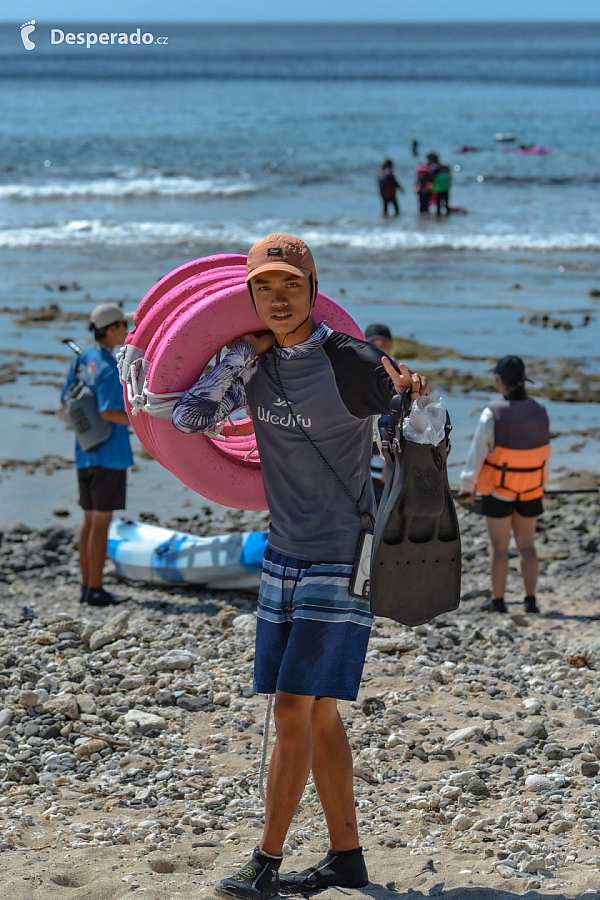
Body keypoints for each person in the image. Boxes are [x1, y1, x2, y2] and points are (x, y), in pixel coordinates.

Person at [171, 234, 429, 900]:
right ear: (250, 296)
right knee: (316, 717)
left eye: (291, 285)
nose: (279, 299)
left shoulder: (352, 361)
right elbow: (190, 414)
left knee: (291, 707)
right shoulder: (253, 365)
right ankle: (347, 858)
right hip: (283, 551)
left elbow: (410, 418)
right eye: (265, 287)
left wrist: (411, 398)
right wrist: (238, 354)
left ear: (314, 290)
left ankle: (266, 861)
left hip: (343, 553)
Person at [459, 356, 550, 615]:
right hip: (532, 488)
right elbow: (546, 455)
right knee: (527, 545)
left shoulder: (492, 413)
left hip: (500, 490)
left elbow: (476, 455)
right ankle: (530, 600)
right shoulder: (541, 410)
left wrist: (468, 486)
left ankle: (498, 602)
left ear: (499, 381)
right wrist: (544, 485)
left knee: (499, 547)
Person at [61, 303, 133, 607]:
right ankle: (96, 590)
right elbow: (108, 411)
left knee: (89, 520)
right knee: (101, 523)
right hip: (110, 454)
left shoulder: (83, 360)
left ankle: (86, 587)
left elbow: (66, 400)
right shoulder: (105, 365)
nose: (127, 331)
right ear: (112, 328)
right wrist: (142, 418)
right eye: (123, 326)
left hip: (85, 451)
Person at [364, 323, 394, 504]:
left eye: (384, 343)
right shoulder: (354, 374)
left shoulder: (402, 376)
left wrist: (394, 464)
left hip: (388, 465)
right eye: (374, 343)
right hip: (359, 464)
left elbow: (409, 424)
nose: (379, 348)